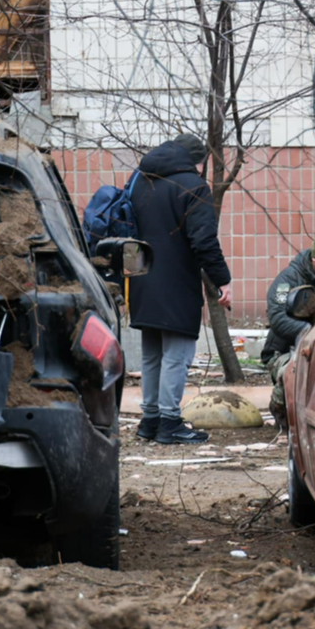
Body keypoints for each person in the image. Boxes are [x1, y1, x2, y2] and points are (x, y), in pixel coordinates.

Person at [130, 134, 233, 445]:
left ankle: (150, 421)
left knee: (151, 354)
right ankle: (169, 423)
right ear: (198, 161)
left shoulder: (140, 181)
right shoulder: (194, 186)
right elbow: (203, 241)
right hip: (175, 283)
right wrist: (222, 279)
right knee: (177, 355)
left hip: (140, 277)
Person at [260, 228, 315, 433]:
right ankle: (279, 407)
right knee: (296, 368)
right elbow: (278, 319)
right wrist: (309, 332)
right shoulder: (288, 280)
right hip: (285, 351)